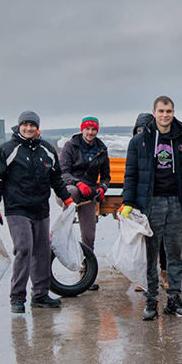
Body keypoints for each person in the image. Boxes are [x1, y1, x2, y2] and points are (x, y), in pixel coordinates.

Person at [121, 96, 182, 320]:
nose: (165, 114)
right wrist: (128, 203)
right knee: (150, 255)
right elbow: (131, 175)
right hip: (151, 203)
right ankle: (151, 300)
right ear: (154, 112)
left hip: (176, 203)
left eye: (169, 110)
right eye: (161, 110)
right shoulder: (139, 142)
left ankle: (174, 299)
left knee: (174, 254)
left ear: (173, 112)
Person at [0, 111, 73, 314]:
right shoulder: (7, 150)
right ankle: (17, 297)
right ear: (19, 127)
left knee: (42, 252)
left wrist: (68, 199)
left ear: (37, 127)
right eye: (25, 124)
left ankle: (40, 296)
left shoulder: (47, 150)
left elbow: (56, 180)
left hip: (41, 209)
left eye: (32, 125)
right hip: (17, 209)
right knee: (24, 248)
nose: (28, 128)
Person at [60, 116, 110, 291]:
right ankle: (66, 222)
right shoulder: (70, 146)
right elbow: (63, 172)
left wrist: (103, 188)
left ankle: (86, 274)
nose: (90, 132)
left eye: (94, 129)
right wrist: (77, 182)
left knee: (89, 235)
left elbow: (106, 177)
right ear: (82, 129)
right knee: (73, 192)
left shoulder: (101, 149)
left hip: (88, 194)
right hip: (69, 191)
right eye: (87, 129)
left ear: (97, 131)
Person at [131, 113, 168, 290]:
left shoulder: (159, 149)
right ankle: (143, 278)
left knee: (161, 240)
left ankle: (165, 272)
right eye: (138, 130)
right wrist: (128, 202)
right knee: (142, 240)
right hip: (140, 202)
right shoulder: (134, 148)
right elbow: (130, 177)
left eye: (144, 129)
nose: (141, 133)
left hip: (158, 200)